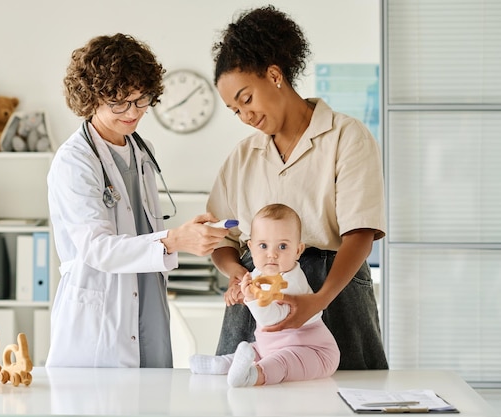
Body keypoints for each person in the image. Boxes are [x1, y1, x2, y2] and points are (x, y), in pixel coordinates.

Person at [208, 5, 388, 370]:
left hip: (334, 289)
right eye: (234, 110)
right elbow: (221, 238)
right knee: (248, 393)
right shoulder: (242, 157)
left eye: (246, 99)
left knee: (344, 393)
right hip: (258, 296)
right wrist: (240, 274)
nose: (245, 116)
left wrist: (318, 299)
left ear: (274, 75)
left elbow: (361, 233)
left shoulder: (345, 136)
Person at [45, 33, 229, 368]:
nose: (133, 113)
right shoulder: (75, 161)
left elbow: (143, 228)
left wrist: (185, 237)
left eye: (141, 99)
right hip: (102, 315)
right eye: (119, 102)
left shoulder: (142, 152)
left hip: (149, 299)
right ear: (90, 98)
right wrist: (175, 240)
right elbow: (97, 248)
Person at [189, 204, 340, 387]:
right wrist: (238, 292)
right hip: (269, 346)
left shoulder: (293, 282)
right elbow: (248, 290)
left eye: (282, 246)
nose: (272, 254)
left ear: (298, 250)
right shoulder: (258, 274)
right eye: (263, 246)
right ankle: (219, 364)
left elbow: (272, 320)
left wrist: (251, 299)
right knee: (253, 350)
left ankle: (251, 376)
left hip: (313, 351)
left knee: (283, 362)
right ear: (251, 248)